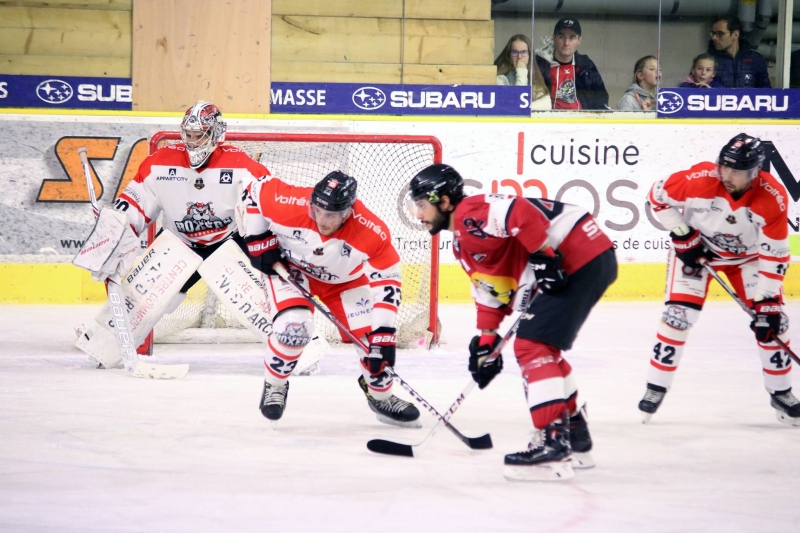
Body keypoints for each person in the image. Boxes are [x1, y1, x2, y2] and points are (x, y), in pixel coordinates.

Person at [406, 164, 617, 481]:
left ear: (445, 201)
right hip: (588, 257)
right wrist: (486, 341)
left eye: (422, 205)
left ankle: (552, 442)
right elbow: (492, 289)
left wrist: (545, 256)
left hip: (578, 254)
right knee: (541, 348)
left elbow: (520, 212)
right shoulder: (463, 243)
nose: (419, 215)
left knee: (532, 346)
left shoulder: (471, 211)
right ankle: (574, 436)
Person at [74, 101, 270, 368]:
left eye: (198, 135)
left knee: (262, 297)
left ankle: (295, 349)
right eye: (187, 134)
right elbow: (133, 208)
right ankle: (104, 345)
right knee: (148, 301)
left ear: (216, 134)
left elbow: (268, 209)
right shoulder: (159, 164)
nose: (191, 141)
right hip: (180, 242)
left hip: (229, 242)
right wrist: (114, 234)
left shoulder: (243, 167)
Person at [240, 170, 421, 428]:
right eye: (317, 211)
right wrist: (256, 237)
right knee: (295, 327)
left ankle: (381, 397)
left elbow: (388, 282)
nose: (322, 220)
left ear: (348, 211)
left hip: (345, 281)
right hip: (292, 270)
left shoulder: (372, 231)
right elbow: (253, 189)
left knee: (373, 345)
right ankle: (275, 385)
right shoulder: (287, 200)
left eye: (332, 215)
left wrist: (385, 333)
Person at [640, 133, 799, 426]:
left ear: (754, 173)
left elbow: (775, 254)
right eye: (724, 167)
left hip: (748, 260)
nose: (727, 175)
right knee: (677, 316)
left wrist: (766, 302)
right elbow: (656, 198)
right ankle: (655, 386)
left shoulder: (772, 196)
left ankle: (781, 392)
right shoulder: (698, 179)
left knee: (775, 324)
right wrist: (683, 234)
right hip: (699, 254)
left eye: (736, 171)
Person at [534, 18, 609, 110]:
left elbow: (601, 99)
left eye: (572, 37)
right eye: (561, 37)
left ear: (579, 41)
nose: (566, 43)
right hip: (550, 121)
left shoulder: (586, 66)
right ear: (554, 38)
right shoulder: (540, 64)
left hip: (582, 120)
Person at [707, 15, 771, 88]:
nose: (714, 38)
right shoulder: (707, 60)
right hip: (718, 99)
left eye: (720, 34)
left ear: (735, 34)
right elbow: (694, 86)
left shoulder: (756, 59)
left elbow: (766, 91)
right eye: (713, 33)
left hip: (748, 99)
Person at [495, 34, 551, 110]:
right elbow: (517, 101)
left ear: (529, 56)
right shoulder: (500, 79)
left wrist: (526, 108)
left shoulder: (532, 78)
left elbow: (547, 103)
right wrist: (521, 71)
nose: (519, 57)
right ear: (509, 56)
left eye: (524, 52)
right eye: (515, 52)